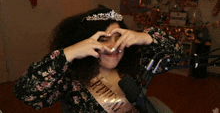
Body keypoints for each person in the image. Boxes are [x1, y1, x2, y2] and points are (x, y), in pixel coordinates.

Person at [14, 6, 184, 113]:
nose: (112, 46)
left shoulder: (135, 63)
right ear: (86, 43)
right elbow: (26, 93)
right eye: (103, 39)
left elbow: (176, 55)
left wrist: (146, 37)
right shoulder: (71, 76)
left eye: (118, 37)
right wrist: (69, 53)